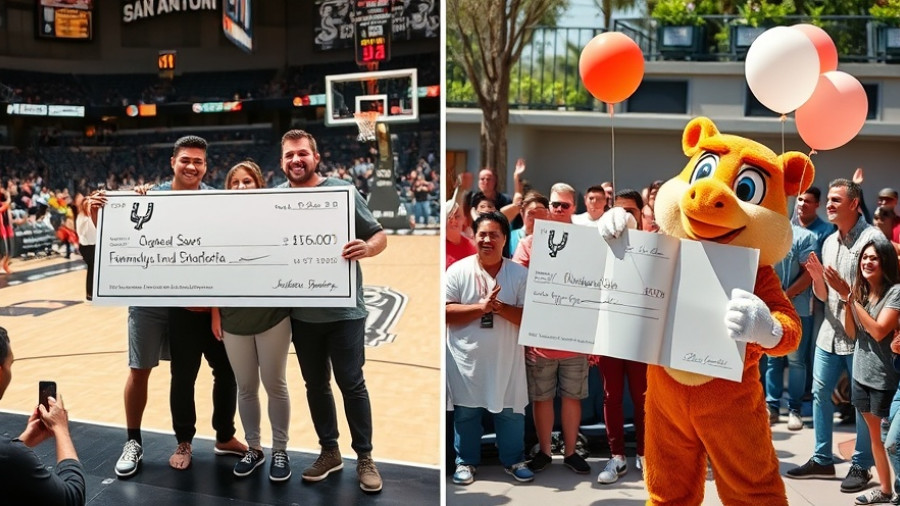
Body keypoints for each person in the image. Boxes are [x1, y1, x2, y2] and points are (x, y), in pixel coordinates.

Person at [89, 135, 246, 478]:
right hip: (150, 301)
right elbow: (121, 240)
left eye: (199, 161)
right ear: (172, 162)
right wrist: (98, 212)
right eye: (185, 160)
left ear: (207, 166)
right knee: (140, 369)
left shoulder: (216, 201)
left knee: (213, 371)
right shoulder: (150, 196)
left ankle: (223, 434)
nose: (192, 166)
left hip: (197, 304)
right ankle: (134, 441)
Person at [278, 129, 386, 493]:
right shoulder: (273, 199)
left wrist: (367, 248)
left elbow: (379, 235)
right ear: (282, 162)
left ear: (316, 157)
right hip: (301, 315)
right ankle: (330, 451)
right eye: (290, 155)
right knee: (315, 385)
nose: (296, 160)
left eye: (302, 154)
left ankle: (365, 458)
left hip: (344, 313)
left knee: (351, 384)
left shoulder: (342, 191)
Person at [786, 179, 882, 493]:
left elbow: (880, 295)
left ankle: (861, 464)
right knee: (819, 394)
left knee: (862, 404)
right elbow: (823, 294)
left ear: (855, 205)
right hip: (829, 332)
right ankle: (822, 459)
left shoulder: (874, 241)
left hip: (863, 337)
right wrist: (816, 279)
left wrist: (845, 294)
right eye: (828, 199)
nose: (829, 204)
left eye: (836, 200)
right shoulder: (828, 242)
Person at [211, 161, 293, 481]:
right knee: (246, 388)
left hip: (273, 317)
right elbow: (213, 268)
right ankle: (255, 448)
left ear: (260, 184)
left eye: (248, 181)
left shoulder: (276, 218)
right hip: (233, 320)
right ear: (228, 188)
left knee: (275, 385)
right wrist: (216, 312)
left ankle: (281, 451)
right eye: (236, 182)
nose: (242, 187)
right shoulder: (219, 223)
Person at [446, 211, 533, 485]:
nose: (487, 240)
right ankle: (466, 462)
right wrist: (480, 308)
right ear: (474, 236)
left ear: (504, 239)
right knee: (467, 412)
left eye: (493, 235)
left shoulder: (519, 274)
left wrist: (499, 308)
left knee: (510, 412)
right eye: (482, 234)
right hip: (466, 360)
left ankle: (514, 459)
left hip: (507, 359)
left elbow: (530, 318)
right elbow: (445, 311)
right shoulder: (457, 270)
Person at [811, 239, 900, 505]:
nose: (867, 262)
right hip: (862, 376)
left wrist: (849, 296)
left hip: (885, 379)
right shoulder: (860, 293)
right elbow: (853, 333)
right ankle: (885, 491)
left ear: (885, 261)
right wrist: (848, 300)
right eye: (864, 258)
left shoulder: (894, 292)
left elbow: (878, 330)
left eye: (873, 258)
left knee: (892, 442)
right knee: (877, 441)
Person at [513, 183, 591, 476]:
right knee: (542, 397)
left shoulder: (589, 241)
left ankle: (570, 452)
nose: (558, 210)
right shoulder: (529, 243)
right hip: (540, 337)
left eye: (564, 205)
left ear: (575, 206)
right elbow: (520, 283)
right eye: (554, 205)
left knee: (572, 397)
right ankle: (545, 452)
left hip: (575, 337)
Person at [596, 189, 648, 484]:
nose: (624, 218)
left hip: (642, 337)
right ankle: (617, 457)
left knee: (643, 398)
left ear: (641, 215)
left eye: (630, 211)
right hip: (610, 335)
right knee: (610, 396)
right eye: (618, 212)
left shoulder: (657, 248)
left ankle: (643, 453)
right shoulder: (600, 246)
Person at [0, 326, 85, 505]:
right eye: (10, 364)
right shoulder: (10, 456)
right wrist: (61, 430)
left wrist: (24, 441)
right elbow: (72, 498)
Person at [765, 223, 817, 430]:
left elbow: (809, 273)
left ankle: (795, 409)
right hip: (770, 308)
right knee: (772, 360)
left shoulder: (805, 236)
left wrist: (785, 296)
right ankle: (773, 408)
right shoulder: (766, 231)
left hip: (799, 309)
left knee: (796, 360)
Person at [74, 194, 96, 300]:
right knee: (92, 268)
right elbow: (81, 232)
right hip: (86, 245)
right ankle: (90, 293)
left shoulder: (89, 215)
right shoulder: (81, 217)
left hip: (92, 244)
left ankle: (93, 292)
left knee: (94, 268)